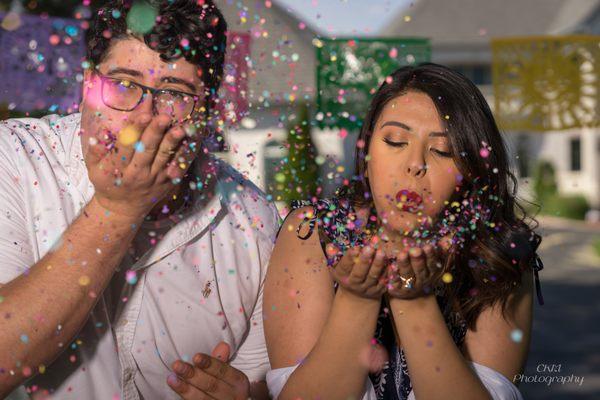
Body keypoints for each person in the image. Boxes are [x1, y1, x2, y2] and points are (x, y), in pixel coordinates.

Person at [0, 1, 278, 399]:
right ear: (87, 86)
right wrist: (117, 209)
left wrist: (248, 396)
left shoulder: (254, 219)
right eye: (124, 85)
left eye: (175, 94)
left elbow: (268, 382)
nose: (142, 119)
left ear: (209, 111)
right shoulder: (13, 159)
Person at [263, 63, 545, 400]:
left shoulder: (497, 252)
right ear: (366, 150)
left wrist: (414, 300)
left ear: (470, 171)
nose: (415, 163)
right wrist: (357, 298)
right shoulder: (313, 232)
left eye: (442, 151)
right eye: (395, 141)